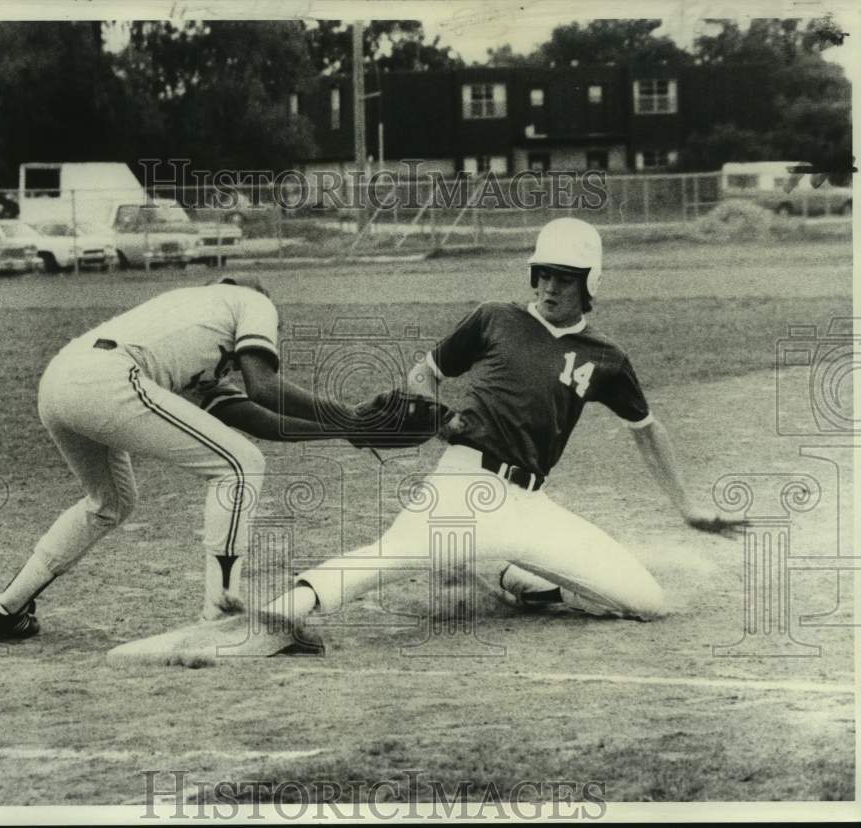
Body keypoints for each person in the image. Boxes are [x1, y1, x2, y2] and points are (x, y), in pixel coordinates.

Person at [182, 217, 747, 662]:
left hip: (531, 505)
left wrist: (689, 507)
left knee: (647, 603)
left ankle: (507, 573)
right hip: (463, 483)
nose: (550, 286)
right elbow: (423, 371)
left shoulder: (606, 358)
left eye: (565, 277)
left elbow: (647, 431)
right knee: (390, 556)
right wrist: (439, 415)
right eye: (544, 273)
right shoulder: (494, 318)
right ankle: (274, 617)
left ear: (589, 283)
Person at [0, 274, 362, 641]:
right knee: (240, 466)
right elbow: (263, 387)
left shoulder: (191, 322)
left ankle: (7, 608)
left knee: (109, 503)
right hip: (107, 376)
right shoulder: (253, 299)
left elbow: (258, 420)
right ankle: (220, 614)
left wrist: (347, 429)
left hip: (59, 381)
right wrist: (352, 417)